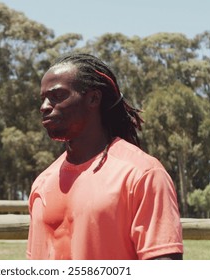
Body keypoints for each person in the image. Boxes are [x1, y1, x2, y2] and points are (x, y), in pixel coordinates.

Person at [27, 53, 183, 260]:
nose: (44, 107)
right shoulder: (42, 183)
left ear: (93, 98)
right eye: (43, 99)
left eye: (57, 96)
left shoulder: (142, 174)